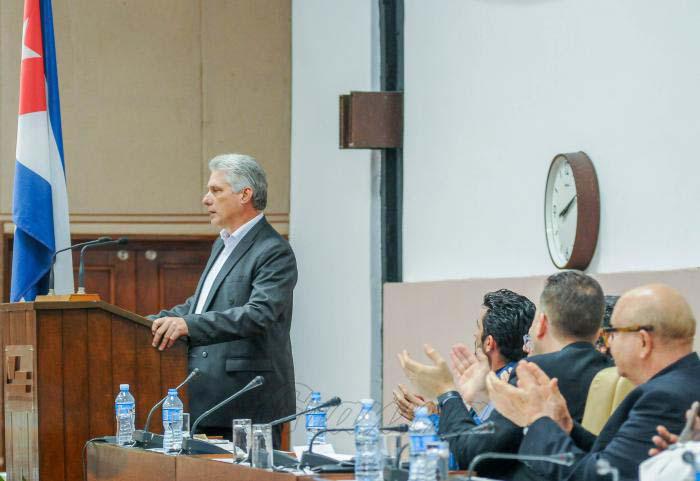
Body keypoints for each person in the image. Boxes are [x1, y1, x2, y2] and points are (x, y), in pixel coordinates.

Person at [398, 271, 611, 480]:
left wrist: (446, 392)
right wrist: (482, 399)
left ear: (542, 324)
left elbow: (474, 454)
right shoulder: (611, 370)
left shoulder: (535, 372)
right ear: (598, 330)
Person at [149, 153, 297, 447]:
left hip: (246, 402)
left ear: (245, 194)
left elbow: (260, 314)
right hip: (207, 400)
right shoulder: (223, 242)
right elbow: (200, 305)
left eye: (216, 191)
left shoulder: (273, 251)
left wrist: (187, 325)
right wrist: (148, 322)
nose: (206, 199)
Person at [488, 284, 700, 481]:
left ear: (643, 341)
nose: (608, 345)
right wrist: (568, 428)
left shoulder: (664, 397)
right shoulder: (683, 382)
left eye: (612, 334)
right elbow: (615, 461)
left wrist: (537, 420)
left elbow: (601, 477)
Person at [393, 289, 535, 423]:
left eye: (478, 326)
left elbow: (472, 442)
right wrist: (437, 413)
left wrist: (430, 419)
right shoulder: (513, 378)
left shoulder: (501, 386)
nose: (475, 334)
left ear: (489, 343)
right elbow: (472, 427)